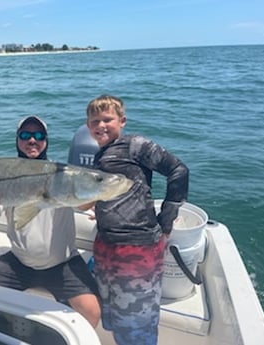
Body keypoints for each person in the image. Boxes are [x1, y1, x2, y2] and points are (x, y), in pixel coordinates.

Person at [0, 115, 101, 328]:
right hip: (19, 262)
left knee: (91, 310)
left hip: (62, 263)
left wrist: (99, 195)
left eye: (39, 135)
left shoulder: (64, 175)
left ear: (46, 141)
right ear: (17, 140)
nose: (32, 140)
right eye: (26, 135)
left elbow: (84, 203)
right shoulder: (3, 176)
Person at [84, 94, 189, 345]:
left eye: (107, 119)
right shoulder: (101, 154)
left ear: (122, 121)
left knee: (137, 327)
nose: (101, 125)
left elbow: (178, 171)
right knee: (113, 317)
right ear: (88, 126)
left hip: (138, 248)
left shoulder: (135, 145)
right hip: (106, 245)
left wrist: (167, 219)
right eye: (94, 121)